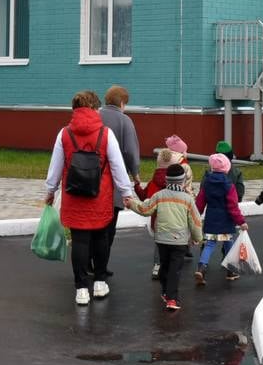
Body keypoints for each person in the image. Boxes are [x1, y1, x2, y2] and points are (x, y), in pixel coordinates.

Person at [42, 90, 134, 306]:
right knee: (101, 238)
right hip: (100, 196)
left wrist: (50, 191)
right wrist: (126, 193)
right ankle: (100, 283)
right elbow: (117, 166)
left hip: (74, 196)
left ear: (74, 108)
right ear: (95, 108)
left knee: (79, 241)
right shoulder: (106, 133)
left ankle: (81, 289)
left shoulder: (64, 133)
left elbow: (55, 167)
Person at [124, 159, 202, 310]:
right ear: (183, 182)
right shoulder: (187, 199)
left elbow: (145, 209)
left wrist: (131, 203)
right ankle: (172, 299)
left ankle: (166, 292)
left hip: (162, 239)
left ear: (166, 180)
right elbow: (195, 221)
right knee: (174, 270)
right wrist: (197, 237)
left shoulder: (159, 196)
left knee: (165, 267)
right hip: (179, 241)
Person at [192, 153, 247, 285]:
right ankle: (230, 271)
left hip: (211, 220)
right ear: (227, 168)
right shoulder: (229, 185)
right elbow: (233, 206)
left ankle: (201, 268)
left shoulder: (206, 183)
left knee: (209, 244)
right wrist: (241, 221)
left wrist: (195, 217)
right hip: (225, 222)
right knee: (228, 243)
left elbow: (200, 203)